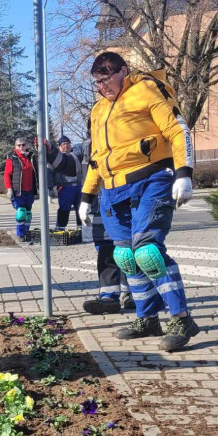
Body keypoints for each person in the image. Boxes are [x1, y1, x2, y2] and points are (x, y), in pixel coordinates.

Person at [78, 51, 200, 352]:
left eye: (106, 79)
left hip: (151, 179)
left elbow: (177, 129)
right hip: (112, 188)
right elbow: (97, 157)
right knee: (125, 256)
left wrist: (184, 173)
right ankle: (147, 318)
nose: (102, 86)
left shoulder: (145, 89)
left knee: (147, 251)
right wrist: (86, 195)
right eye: (97, 82)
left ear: (123, 70)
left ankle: (181, 318)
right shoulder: (98, 110)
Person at [80, 121, 133, 314]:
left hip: (121, 205)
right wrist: (50, 152)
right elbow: (68, 163)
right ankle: (108, 296)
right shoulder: (85, 148)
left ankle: (131, 293)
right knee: (105, 251)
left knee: (126, 249)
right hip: (97, 208)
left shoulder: (123, 142)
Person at [4, 137, 38, 241]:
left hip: (30, 190)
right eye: (19, 145)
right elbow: (7, 174)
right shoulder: (12, 158)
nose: (21, 147)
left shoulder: (31, 157)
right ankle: (21, 234)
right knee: (21, 212)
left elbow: (37, 173)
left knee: (28, 214)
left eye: (23, 144)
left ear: (27, 146)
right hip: (18, 191)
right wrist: (9, 189)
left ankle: (26, 232)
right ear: (15, 147)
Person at [53, 136, 83, 229]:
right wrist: (50, 187)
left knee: (81, 208)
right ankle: (61, 228)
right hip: (64, 187)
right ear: (59, 147)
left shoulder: (77, 155)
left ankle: (81, 228)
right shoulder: (56, 158)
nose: (66, 146)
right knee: (64, 208)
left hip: (79, 186)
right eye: (63, 144)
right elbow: (49, 172)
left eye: (67, 144)